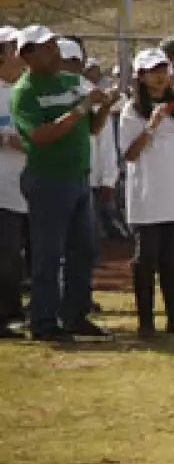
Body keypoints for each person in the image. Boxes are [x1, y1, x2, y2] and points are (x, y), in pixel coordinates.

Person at [11, 26, 113, 339]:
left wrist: (104, 107)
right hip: (48, 180)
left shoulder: (71, 81)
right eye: (46, 47)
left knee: (83, 250)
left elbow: (92, 128)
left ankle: (75, 314)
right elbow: (40, 136)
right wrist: (80, 107)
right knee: (48, 253)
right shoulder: (25, 92)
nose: (54, 51)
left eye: (54, 44)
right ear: (27, 56)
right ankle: (43, 321)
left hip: (79, 177)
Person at [120, 48, 174, 338]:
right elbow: (129, 153)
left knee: (170, 257)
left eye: (163, 69)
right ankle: (145, 321)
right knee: (147, 257)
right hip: (146, 194)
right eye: (152, 71)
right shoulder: (133, 110)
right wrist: (151, 127)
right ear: (141, 76)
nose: (159, 76)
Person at [0, 28, 26, 335]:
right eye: (14, 49)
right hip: (3, 187)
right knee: (6, 252)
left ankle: (16, 311)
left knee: (17, 252)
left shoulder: (24, 89)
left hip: (26, 184)